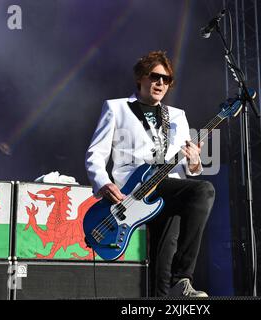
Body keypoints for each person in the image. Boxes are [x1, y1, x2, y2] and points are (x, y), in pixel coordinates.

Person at [85, 51, 215, 297]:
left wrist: (195, 162)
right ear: (140, 78)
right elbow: (95, 153)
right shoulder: (116, 108)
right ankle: (181, 277)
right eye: (155, 77)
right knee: (203, 191)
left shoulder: (177, 116)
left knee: (163, 258)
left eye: (166, 80)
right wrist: (103, 183)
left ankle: (178, 283)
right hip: (132, 188)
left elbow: (189, 167)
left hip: (168, 187)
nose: (160, 84)